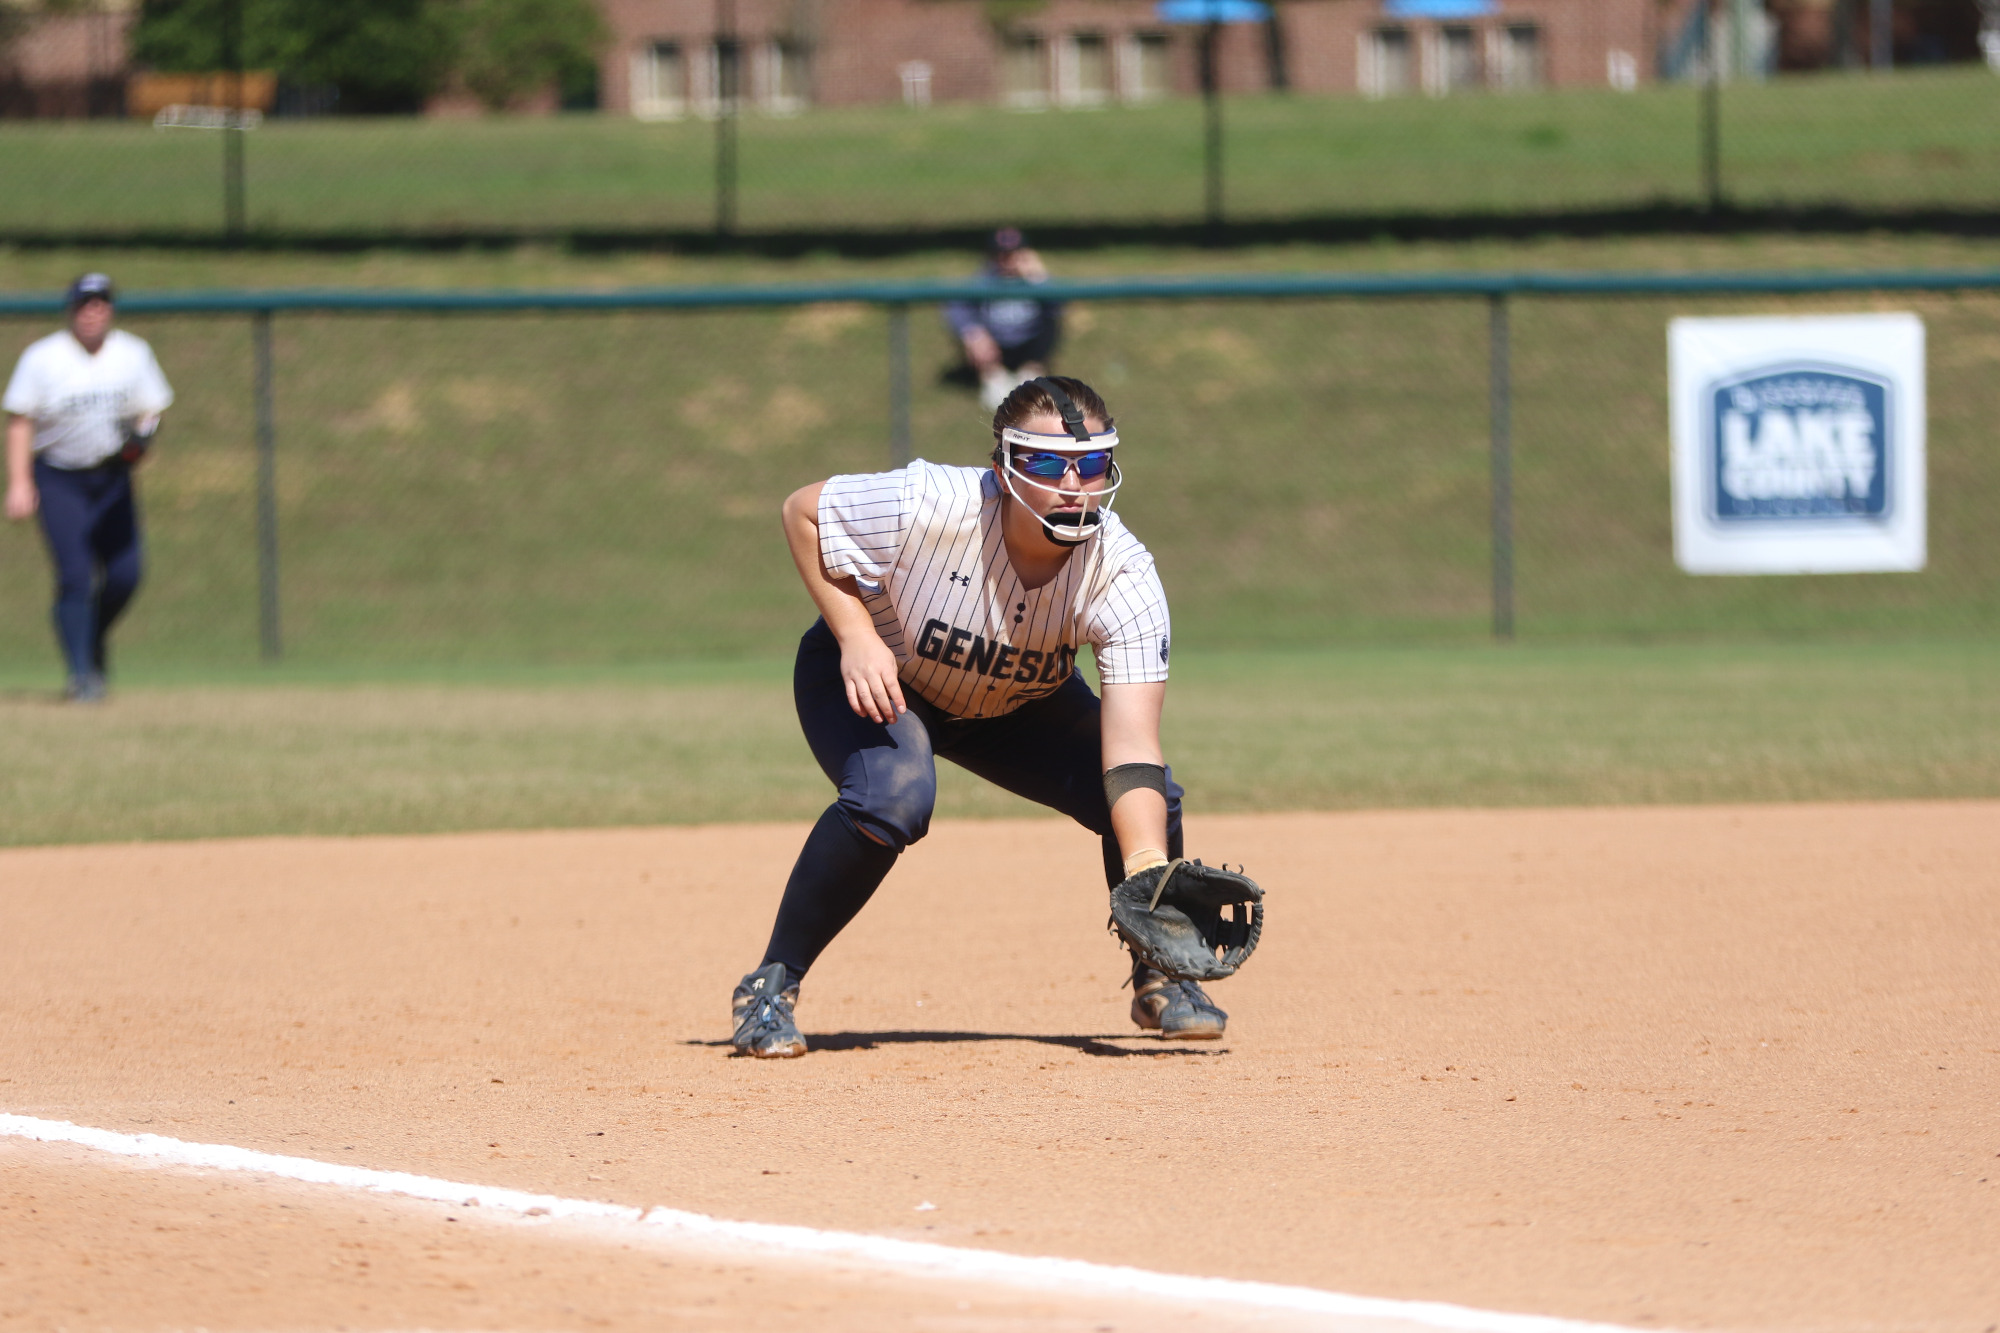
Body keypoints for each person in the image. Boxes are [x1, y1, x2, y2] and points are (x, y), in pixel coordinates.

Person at [731, 375, 1231, 1059]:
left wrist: (1149, 869)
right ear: (1002, 468)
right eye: (1048, 462)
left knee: (1149, 798)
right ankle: (770, 986)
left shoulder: (1124, 574)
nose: (1074, 483)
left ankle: (1164, 976)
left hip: (1016, 706)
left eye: (1091, 464)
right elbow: (803, 511)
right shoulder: (932, 502)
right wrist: (854, 635)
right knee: (894, 794)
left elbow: (1132, 746)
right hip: (882, 677)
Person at [4, 273, 173, 702]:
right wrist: (20, 482)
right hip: (60, 477)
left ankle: (89, 636)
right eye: (84, 304)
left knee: (125, 575)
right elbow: (20, 419)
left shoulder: (132, 354)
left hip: (112, 478)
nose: (93, 312)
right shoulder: (43, 358)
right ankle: (82, 674)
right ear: (71, 310)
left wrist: (142, 441)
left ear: (110, 310)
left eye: (101, 304)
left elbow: (151, 410)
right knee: (76, 575)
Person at [945, 227, 1065, 412]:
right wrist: (972, 332)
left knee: (1052, 324)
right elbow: (957, 308)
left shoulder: (1034, 280)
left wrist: (1039, 278)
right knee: (971, 331)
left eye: (1014, 253)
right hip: (995, 345)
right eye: (1001, 254)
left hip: (1028, 343)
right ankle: (994, 379)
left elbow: (1058, 306)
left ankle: (1030, 376)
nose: (1007, 260)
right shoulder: (983, 280)